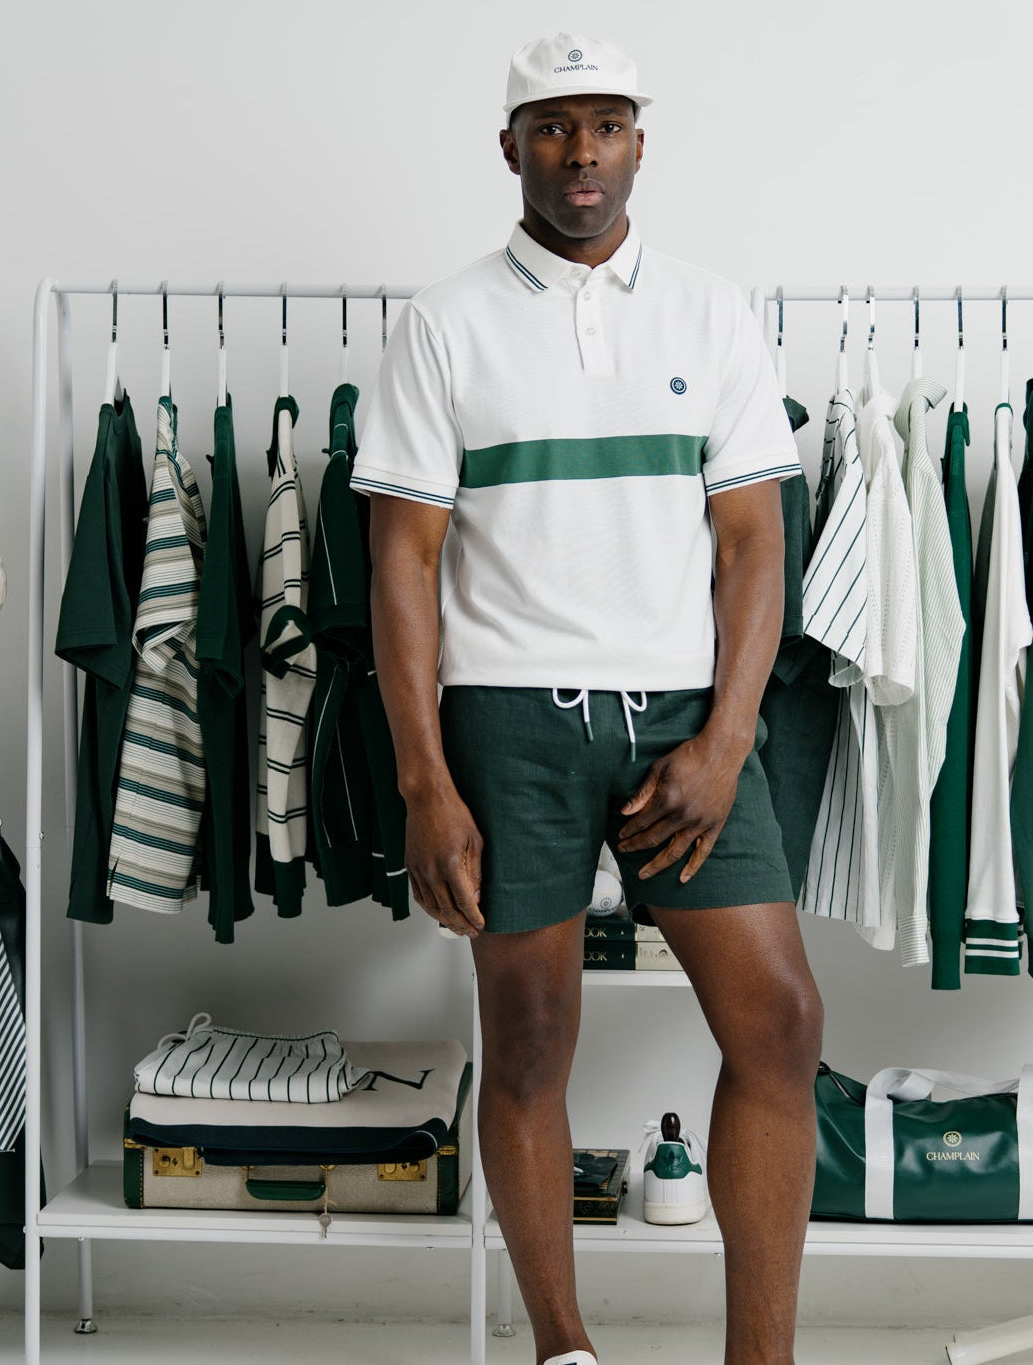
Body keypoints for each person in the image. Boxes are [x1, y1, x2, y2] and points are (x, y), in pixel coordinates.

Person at [351, 32, 825, 1365]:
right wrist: (425, 780)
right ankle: (563, 1346)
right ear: (509, 147)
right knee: (530, 1037)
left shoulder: (710, 311)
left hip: (682, 714)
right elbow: (403, 562)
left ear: (637, 143)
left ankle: (762, 1356)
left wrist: (728, 737)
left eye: (606, 124)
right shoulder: (442, 324)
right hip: (506, 715)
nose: (580, 152)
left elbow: (749, 546)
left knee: (780, 1017)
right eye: (552, 127)